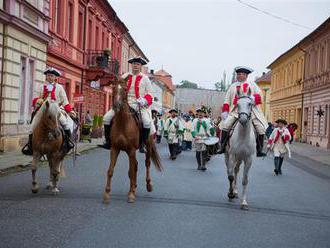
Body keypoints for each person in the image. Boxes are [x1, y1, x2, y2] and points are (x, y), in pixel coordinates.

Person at [99, 56, 153, 152]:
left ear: (140, 66)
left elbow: (150, 94)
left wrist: (144, 100)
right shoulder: (124, 76)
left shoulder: (145, 79)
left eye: (138, 64)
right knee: (106, 118)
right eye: (134, 64)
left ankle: (142, 144)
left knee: (147, 122)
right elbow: (117, 87)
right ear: (131, 65)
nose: (135, 66)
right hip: (123, 103)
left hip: (138, 104)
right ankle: (108, 142)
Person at [22, 67, 76, 155]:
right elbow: (35, 98)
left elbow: (65, 101)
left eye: (52, 76)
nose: (50, 77)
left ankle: (67, 143)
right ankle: (30, 146)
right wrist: (37, 101)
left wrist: (69, 111)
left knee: (65, 124)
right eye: (48, 75)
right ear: (46, 77)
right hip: (42, 111)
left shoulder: (60, 88)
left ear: (55, 77)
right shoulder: (40, 86)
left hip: (56, 110)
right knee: (32, 128)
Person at [218, 66, 268, 157]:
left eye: (242, 74)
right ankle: (222, 146)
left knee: (260, 128)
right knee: (225, 125)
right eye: (238, 74)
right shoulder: (232, 86)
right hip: (235, 112)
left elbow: (260, 96)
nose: (239, 75)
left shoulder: (253, 85)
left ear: (246, 75)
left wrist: (252, 98)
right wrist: (225, 111)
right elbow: (226, 100)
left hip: (250, 112)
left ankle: (259, 150)